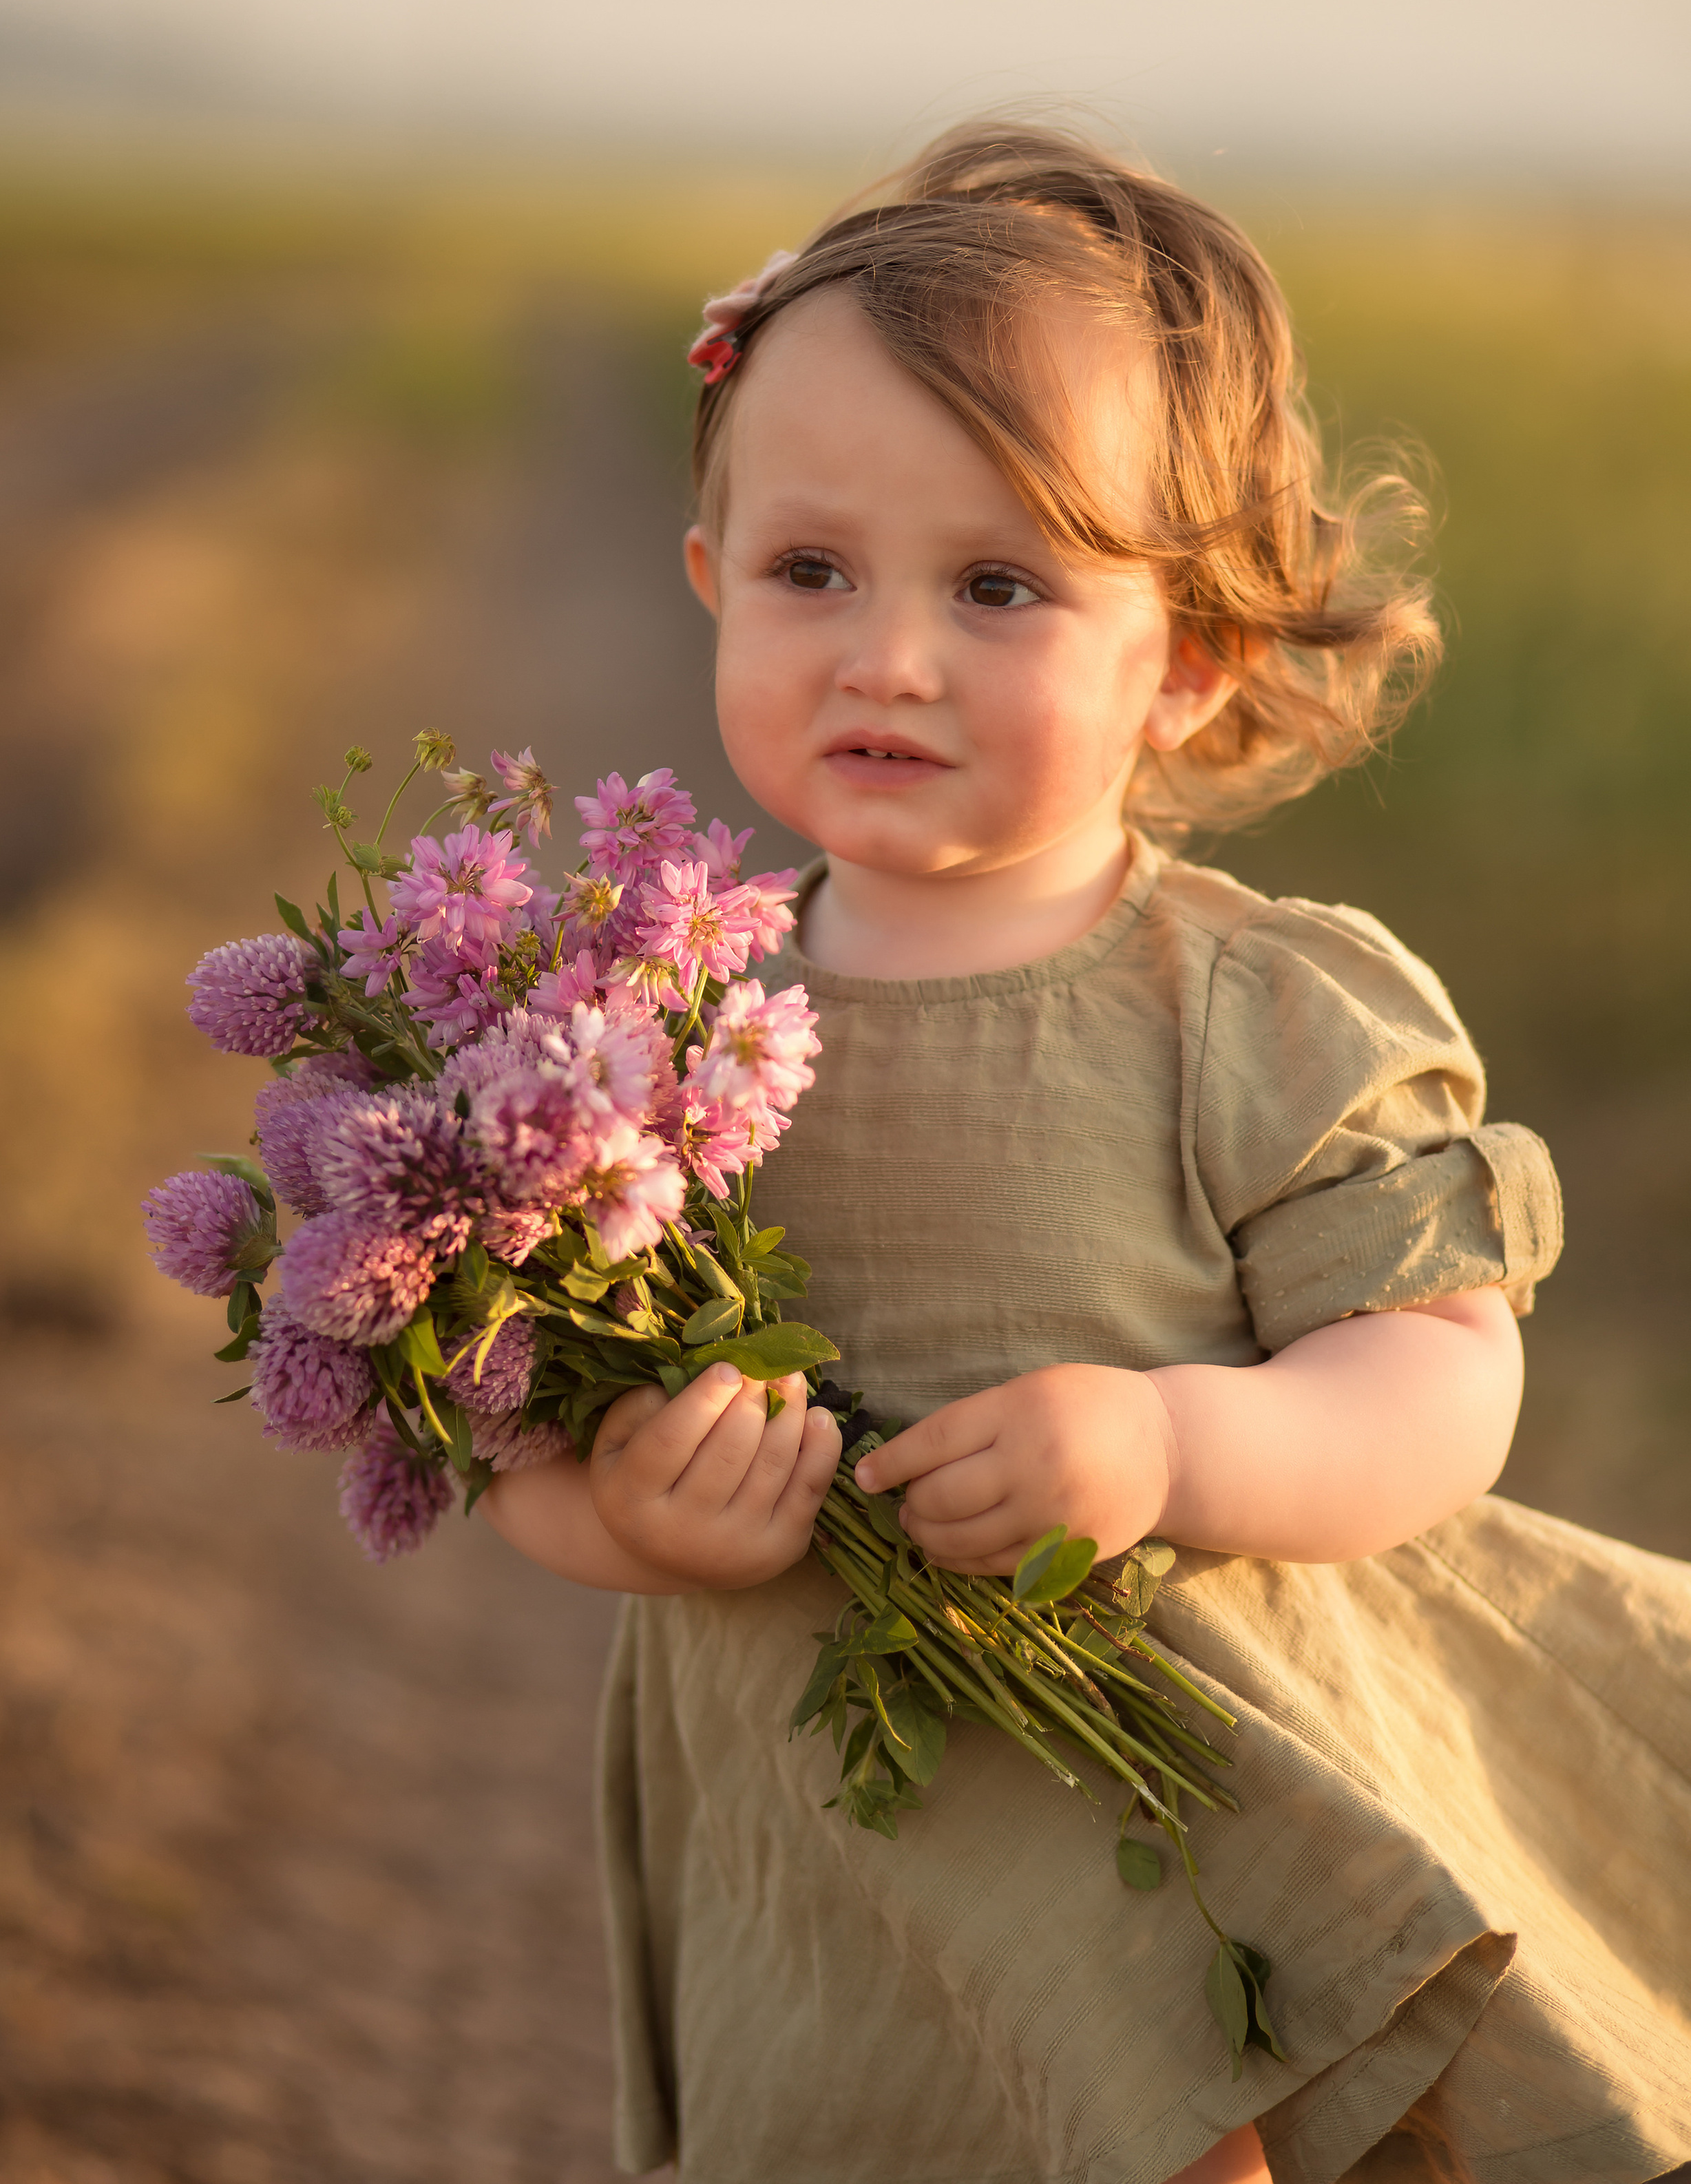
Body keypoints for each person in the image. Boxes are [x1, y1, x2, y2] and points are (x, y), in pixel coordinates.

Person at [485, 123, 1691, 2184]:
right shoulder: (644, 1030)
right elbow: (517, 1429)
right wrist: (631, 1518)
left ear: (1185, 657)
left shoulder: (1250, 1011)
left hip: (1188, 1844)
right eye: (810, 572)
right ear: (709, 580)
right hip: (834, 1879)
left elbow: (1442, 1375)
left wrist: (1169, 1449)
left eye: (999, 587)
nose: (886, 652)